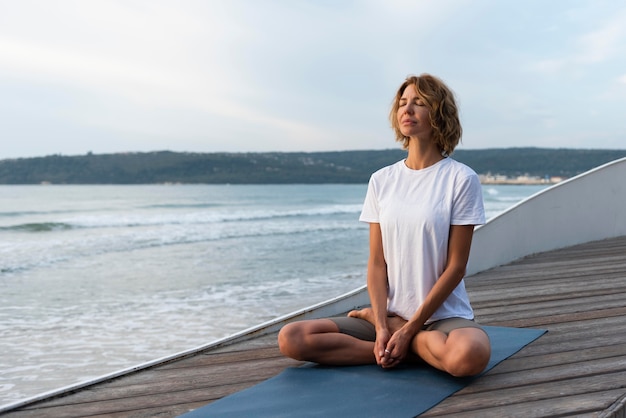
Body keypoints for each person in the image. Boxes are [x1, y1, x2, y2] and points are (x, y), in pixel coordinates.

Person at [277, 74, 491, 377]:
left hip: (441, 317)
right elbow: (377, 263)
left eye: (419, 103)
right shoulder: (382, 180)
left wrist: (408, 329)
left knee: (470, 356)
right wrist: (380, 325)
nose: (407, 110)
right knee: (292, 338)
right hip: (388, 315)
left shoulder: (460, 179)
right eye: (403, 103)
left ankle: (405, 341)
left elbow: (456, 267)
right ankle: (406, 348)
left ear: (439, 113)